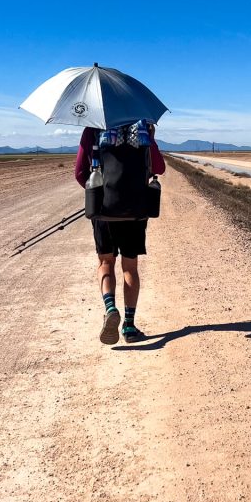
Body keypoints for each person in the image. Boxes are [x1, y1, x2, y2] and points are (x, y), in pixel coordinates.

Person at [74, 121, 165, 344]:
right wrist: (150, 137)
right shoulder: (142, 128)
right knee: (130, 268)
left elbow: (79, 173)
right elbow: (159, 168)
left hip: (103, 210)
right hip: (135, 213)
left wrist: (99, 194)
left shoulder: (92, 130)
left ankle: (110, 307)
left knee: (105, 263)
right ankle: (130, 326)